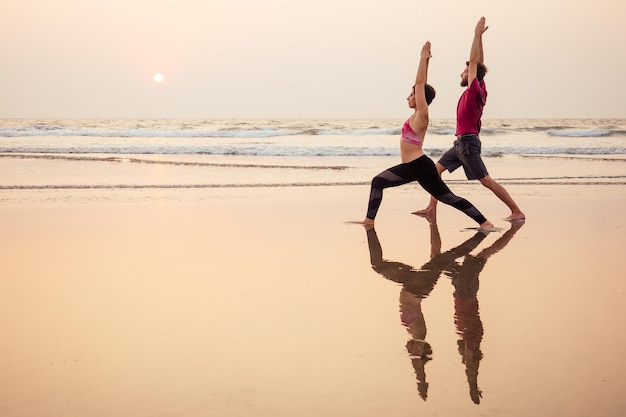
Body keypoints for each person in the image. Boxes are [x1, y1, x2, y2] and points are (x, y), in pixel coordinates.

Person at [359, 41, 494, 229]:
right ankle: (369, 220)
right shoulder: (414, 115)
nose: (408, 97)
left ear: (421, 98)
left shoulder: (422, 116)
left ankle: (485, 223)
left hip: (421, 167)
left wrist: (422, 59)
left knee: (448, 198)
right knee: (378, 182)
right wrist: (428, 60)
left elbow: (420, 83)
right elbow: (421, 85)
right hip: (409, 167)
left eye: (412, 94)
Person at [413, 17, 525, 221]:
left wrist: (475, 35)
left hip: (468, 144)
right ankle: (431, 208)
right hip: (460, 143)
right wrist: (480, 38)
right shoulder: (479, 87)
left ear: (472, 75)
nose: (461, 74)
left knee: (486, 180)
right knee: (434, 172)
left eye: (464, 72)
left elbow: (474, 62)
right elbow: (478, 63)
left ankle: (516, 211)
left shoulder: (475, 91)